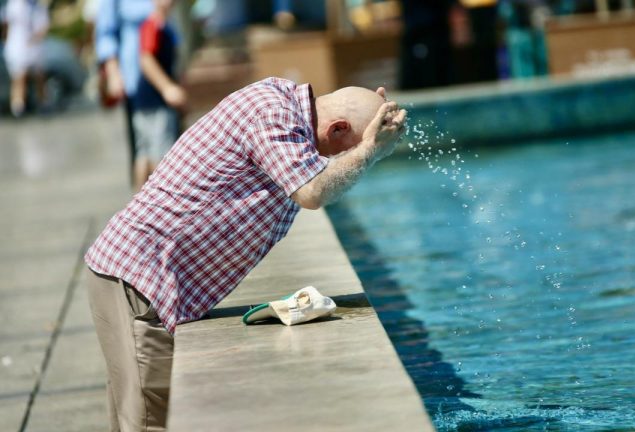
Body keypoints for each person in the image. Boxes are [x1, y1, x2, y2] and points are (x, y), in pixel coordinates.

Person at [84, 77, 407, 431]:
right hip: (142, 280)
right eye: (344, 148)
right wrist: (368, 151)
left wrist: (370, 126)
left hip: (142, 279)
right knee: (153, 423)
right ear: (339, 128)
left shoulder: (287, 114)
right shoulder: (273, 113)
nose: (339, 159)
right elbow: (313, 191)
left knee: (139, 417)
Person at [95, 0, 154, 183]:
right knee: (144, 148)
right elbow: (106, 34)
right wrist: (113, 73)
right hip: (136, 77)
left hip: (164, 73)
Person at [132, 0, 185, 191]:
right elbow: (146, 59)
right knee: (158, 152)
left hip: (147, 100)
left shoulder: (166, 27)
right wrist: (167, 88)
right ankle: (157, 196)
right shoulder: (152, 26)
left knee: (144, 151)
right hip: (154, 100)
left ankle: (139, 202)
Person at [2, 0, 49, 117]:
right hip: (17, 47)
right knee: (19, 77)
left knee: (39, 76)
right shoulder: (15, 4)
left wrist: (35, 38)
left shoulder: (38, 7)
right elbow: (6, 24)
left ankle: (42, 104)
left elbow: (43, 27)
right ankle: (18, 107)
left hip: (33, 48)